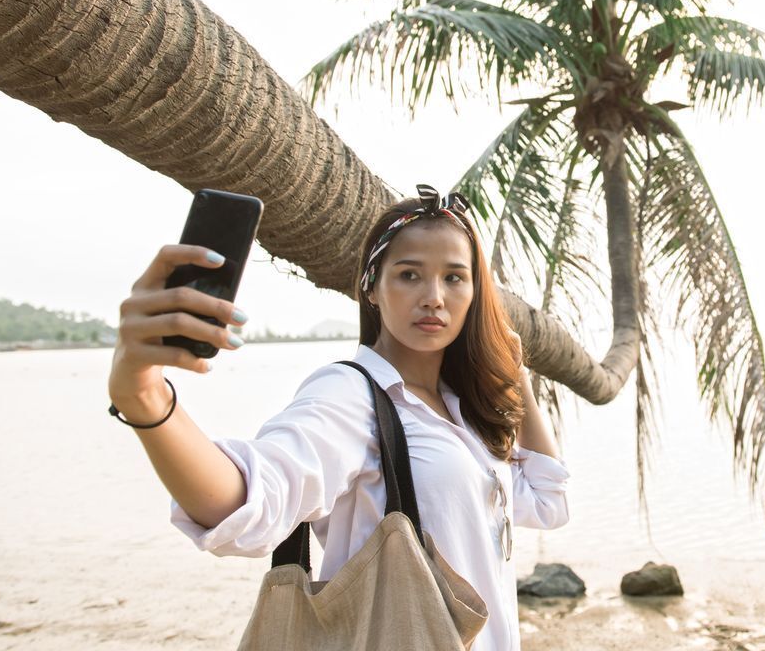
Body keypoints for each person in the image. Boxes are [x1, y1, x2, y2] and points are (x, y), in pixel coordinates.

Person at [106, 185, 571, 651]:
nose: (434, 297)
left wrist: (516, 374)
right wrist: (144, 396)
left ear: (474, 293)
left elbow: (547, 501)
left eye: (454, 277)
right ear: (371, 287)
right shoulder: (352, 395)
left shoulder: (459, 411)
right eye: (409, 275)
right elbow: (247, 501)